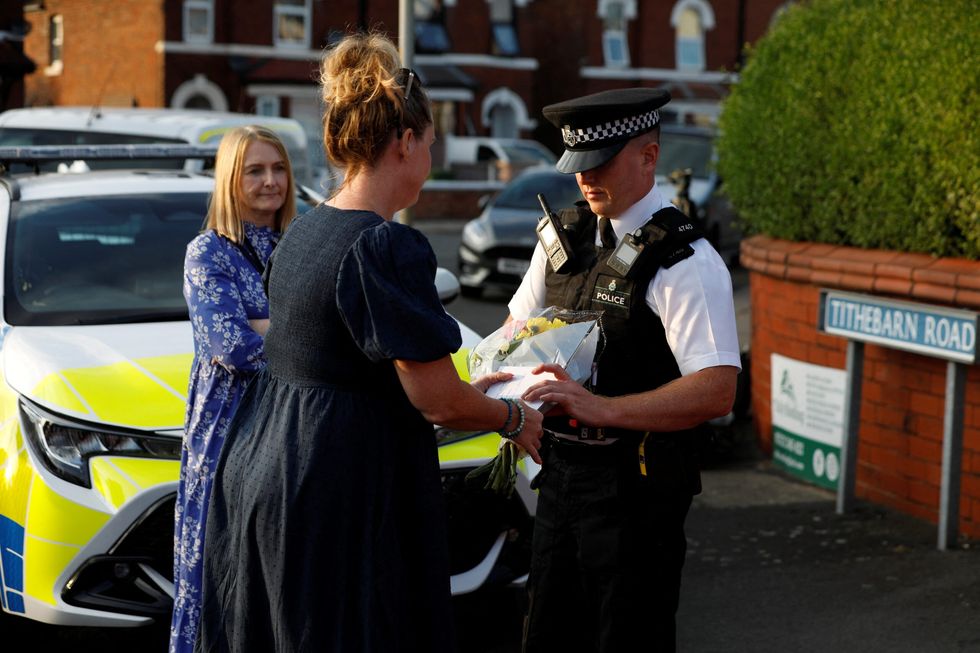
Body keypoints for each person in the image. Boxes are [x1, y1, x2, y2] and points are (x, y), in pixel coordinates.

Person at [194, 32, 543, 653]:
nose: (429, 162)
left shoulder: (304, 231)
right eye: (429, 145)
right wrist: (514, 417)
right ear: (404, 143)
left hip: (262, 478)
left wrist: (465, 395)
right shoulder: (382, 245)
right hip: (334, 497)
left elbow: (359, 368)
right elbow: (435, 400)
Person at [513, 88, 742, 652]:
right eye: (577, 166)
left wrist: (603, 408)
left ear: (648, 157)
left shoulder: (685, 260)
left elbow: (716, 390)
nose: (586, 179)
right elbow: (514, 335)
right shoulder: (561, 241)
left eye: (601, 163)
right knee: (547, 633)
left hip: (638, 493)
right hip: (562, 478)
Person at [170, 125, 297, 653]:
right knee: (218, 563)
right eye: (255, 170)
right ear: (230, 178)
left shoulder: (300, 242)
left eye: (279, 168)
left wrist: (266, 323)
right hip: (227, 428)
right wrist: (300, 331)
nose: (271, 182)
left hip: (294, 422)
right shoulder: (207, 253)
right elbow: (233, 346)